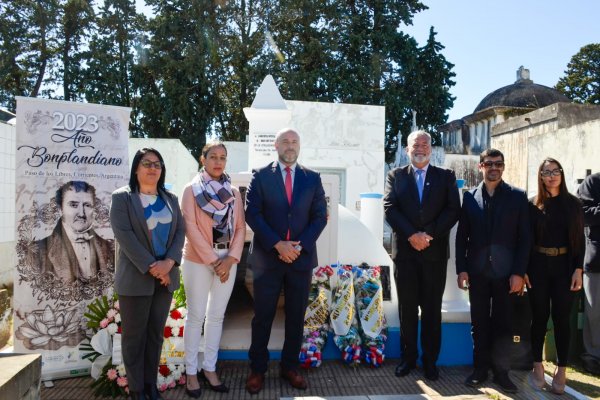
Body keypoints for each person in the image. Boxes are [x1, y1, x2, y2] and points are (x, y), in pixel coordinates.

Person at [244, 128, 327, 394]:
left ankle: (290, 366)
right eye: (286, 142)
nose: (290, 146)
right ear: (276, 145)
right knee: (263, 316)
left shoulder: (312, 178)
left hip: (300, 259)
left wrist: (297, 246)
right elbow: (252, 214)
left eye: (295, 142)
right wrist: (278, 244)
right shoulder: (260, 175)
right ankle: (258, 369)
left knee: (295, 316)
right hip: (268, 259)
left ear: (299, 146)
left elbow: (319, 217)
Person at [383, 130, 460, 381]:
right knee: (406, 310)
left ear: (431, 149)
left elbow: (452, 210)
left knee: (431, 310)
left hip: (434, 254)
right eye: (415, 144)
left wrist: (427, 235)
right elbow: (390, 208)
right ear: (407, 149)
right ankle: (408, 359)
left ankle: (430, 362)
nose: (421, 148)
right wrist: (411, 236)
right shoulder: (395, 176)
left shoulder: (446, 177)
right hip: (405, 255)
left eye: (425, 144)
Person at [110, 148, 185, 400]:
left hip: (165, 280)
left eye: (157, 164)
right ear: (136, 168)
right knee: (134, 338)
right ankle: (137, 389)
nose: (152, 168)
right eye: (146, 163)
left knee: (155, 336)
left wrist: (170, 263)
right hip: (135, 279)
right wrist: (156, 267)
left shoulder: (171, 199)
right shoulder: (122, 198)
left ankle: (151, 386)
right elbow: (125, 237)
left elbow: (179, 233)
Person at [455, 148, 530, 394]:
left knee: (503, 324)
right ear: (481, 167)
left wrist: (519, 272)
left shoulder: (517, 197)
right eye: (489, 163)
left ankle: (501, 373)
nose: (494, 167)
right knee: (479, 323)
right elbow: (462, 237)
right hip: (477, 273)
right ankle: (480, 370)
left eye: (498, 163)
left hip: (507, 275)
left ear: (503, 167)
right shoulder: (469, 197)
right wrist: (461, 269)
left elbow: (524, 240)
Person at [180, 142, 246, 398]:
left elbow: (240, 227)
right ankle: (191, 372)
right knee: (196, 316)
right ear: (203, 159)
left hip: (226, 259)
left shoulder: (233, 192)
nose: (218, 162)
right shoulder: (191, 190)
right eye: (213, 157)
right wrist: (214, 261)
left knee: (216, 317)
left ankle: (209, 368)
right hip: (198, 260)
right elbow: (190, 228)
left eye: (223, 158)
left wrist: (230, 259)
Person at [524, 158, 584, 394]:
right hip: (538, 267)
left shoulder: (573, 204)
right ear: (540, 176)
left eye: (555, 171)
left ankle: (562, 369)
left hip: (564, 268)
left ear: (562, 174)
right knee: (539, 318)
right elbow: (526, 240)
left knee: (561, 319)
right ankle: (537, 365)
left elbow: (579, 239)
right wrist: (525, 269)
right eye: (546, 172)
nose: (551, 175)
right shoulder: (532, 205)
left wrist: (578, 269)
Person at [27, 180, 113, 283]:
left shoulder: (110, 248)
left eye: (87, 205)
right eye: (73, 205)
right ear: (60, 210)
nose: (81, 213)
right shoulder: (37, 251)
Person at [577, 172, 600, 376]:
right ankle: (593, 357)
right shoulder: (593, 182)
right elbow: (583, 215)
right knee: (595, 312)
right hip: (597, 261)